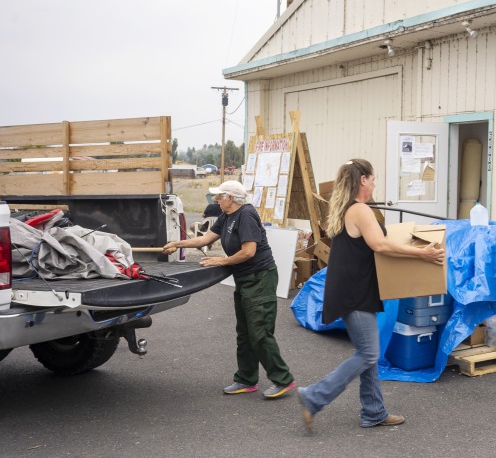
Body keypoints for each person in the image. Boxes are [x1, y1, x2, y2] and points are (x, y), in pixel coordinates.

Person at [297, 159, 445, 434]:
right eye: (373, 178)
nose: (375, 183)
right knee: (368, 354)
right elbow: (380, 244)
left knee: (368, 352)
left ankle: (373, 411)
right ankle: (314, 396)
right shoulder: (360, 210)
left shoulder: (347, 208)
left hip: (352, 289)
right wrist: (422, 253)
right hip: (353, 292)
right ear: (363, 179)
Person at [163, 180, 296, 398]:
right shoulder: (227, 216)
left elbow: (249, 251)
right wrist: (177, 244)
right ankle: (246, 379)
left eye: (219, 196)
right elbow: (206, 239)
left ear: (230, 198)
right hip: (244, 279)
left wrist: (222, 261)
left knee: (260, 332)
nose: (216, 200)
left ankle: (283, 379)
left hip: (260, 278)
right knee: (244, 333)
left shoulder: (246, 216)